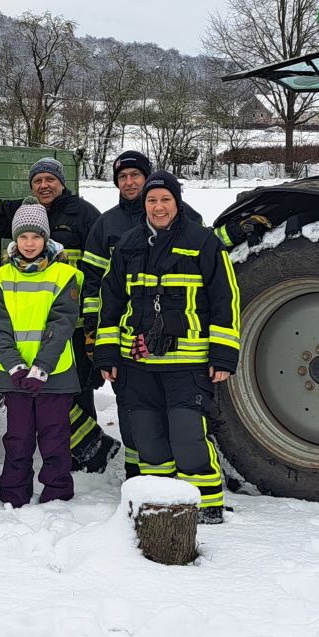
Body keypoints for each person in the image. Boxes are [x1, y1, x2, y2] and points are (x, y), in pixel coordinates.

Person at [94, 171, 241, 524]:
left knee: (189, 436)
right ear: (143, 204)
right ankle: (162, 508)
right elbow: (110, 302)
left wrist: (223, 354)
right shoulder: (127, 245)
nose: (158, 207)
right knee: (149, 442)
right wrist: (107, 353)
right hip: (137, 364)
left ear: (177, 202)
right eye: (152, 200)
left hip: (187, 365)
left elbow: (226, 299)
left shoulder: (203, 242)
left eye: (165, 200)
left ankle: (206, 507)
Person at [0, 156, 119, 473]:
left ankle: (87, 455)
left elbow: (100, 269)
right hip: (30, 320)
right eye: (37, 181)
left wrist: (91, 320)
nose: (44, 185)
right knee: (44, 388)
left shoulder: (84, 214)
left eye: (50, 180)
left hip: (68, 319)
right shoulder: (27, 212)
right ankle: (73, 451)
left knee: (73, 388)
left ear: (62, 182)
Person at [82, 150, 211, 476]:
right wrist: (94, 332)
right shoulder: (105, 225)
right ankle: (139, 477)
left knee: (179, 412)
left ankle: (180, 479)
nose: (129, 182)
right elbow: (96, 285)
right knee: (132, 410)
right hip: (127, 338)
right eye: (122, 177)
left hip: (176, 336)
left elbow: (206, 265)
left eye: (134, 175)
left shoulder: (186, 217)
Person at [0, 204, 82, 507]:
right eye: (23, 236)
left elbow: (62, 324)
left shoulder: (64, 274)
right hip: (15, 375)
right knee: (18, 439)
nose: (29, 243)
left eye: (36, 237)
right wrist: (15, 366)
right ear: (15, 240)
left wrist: (41, 368)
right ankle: (14, 493)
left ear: (46, 239)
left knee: (55, 438)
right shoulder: (2, 276)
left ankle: (57, 492)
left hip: (53, 374)